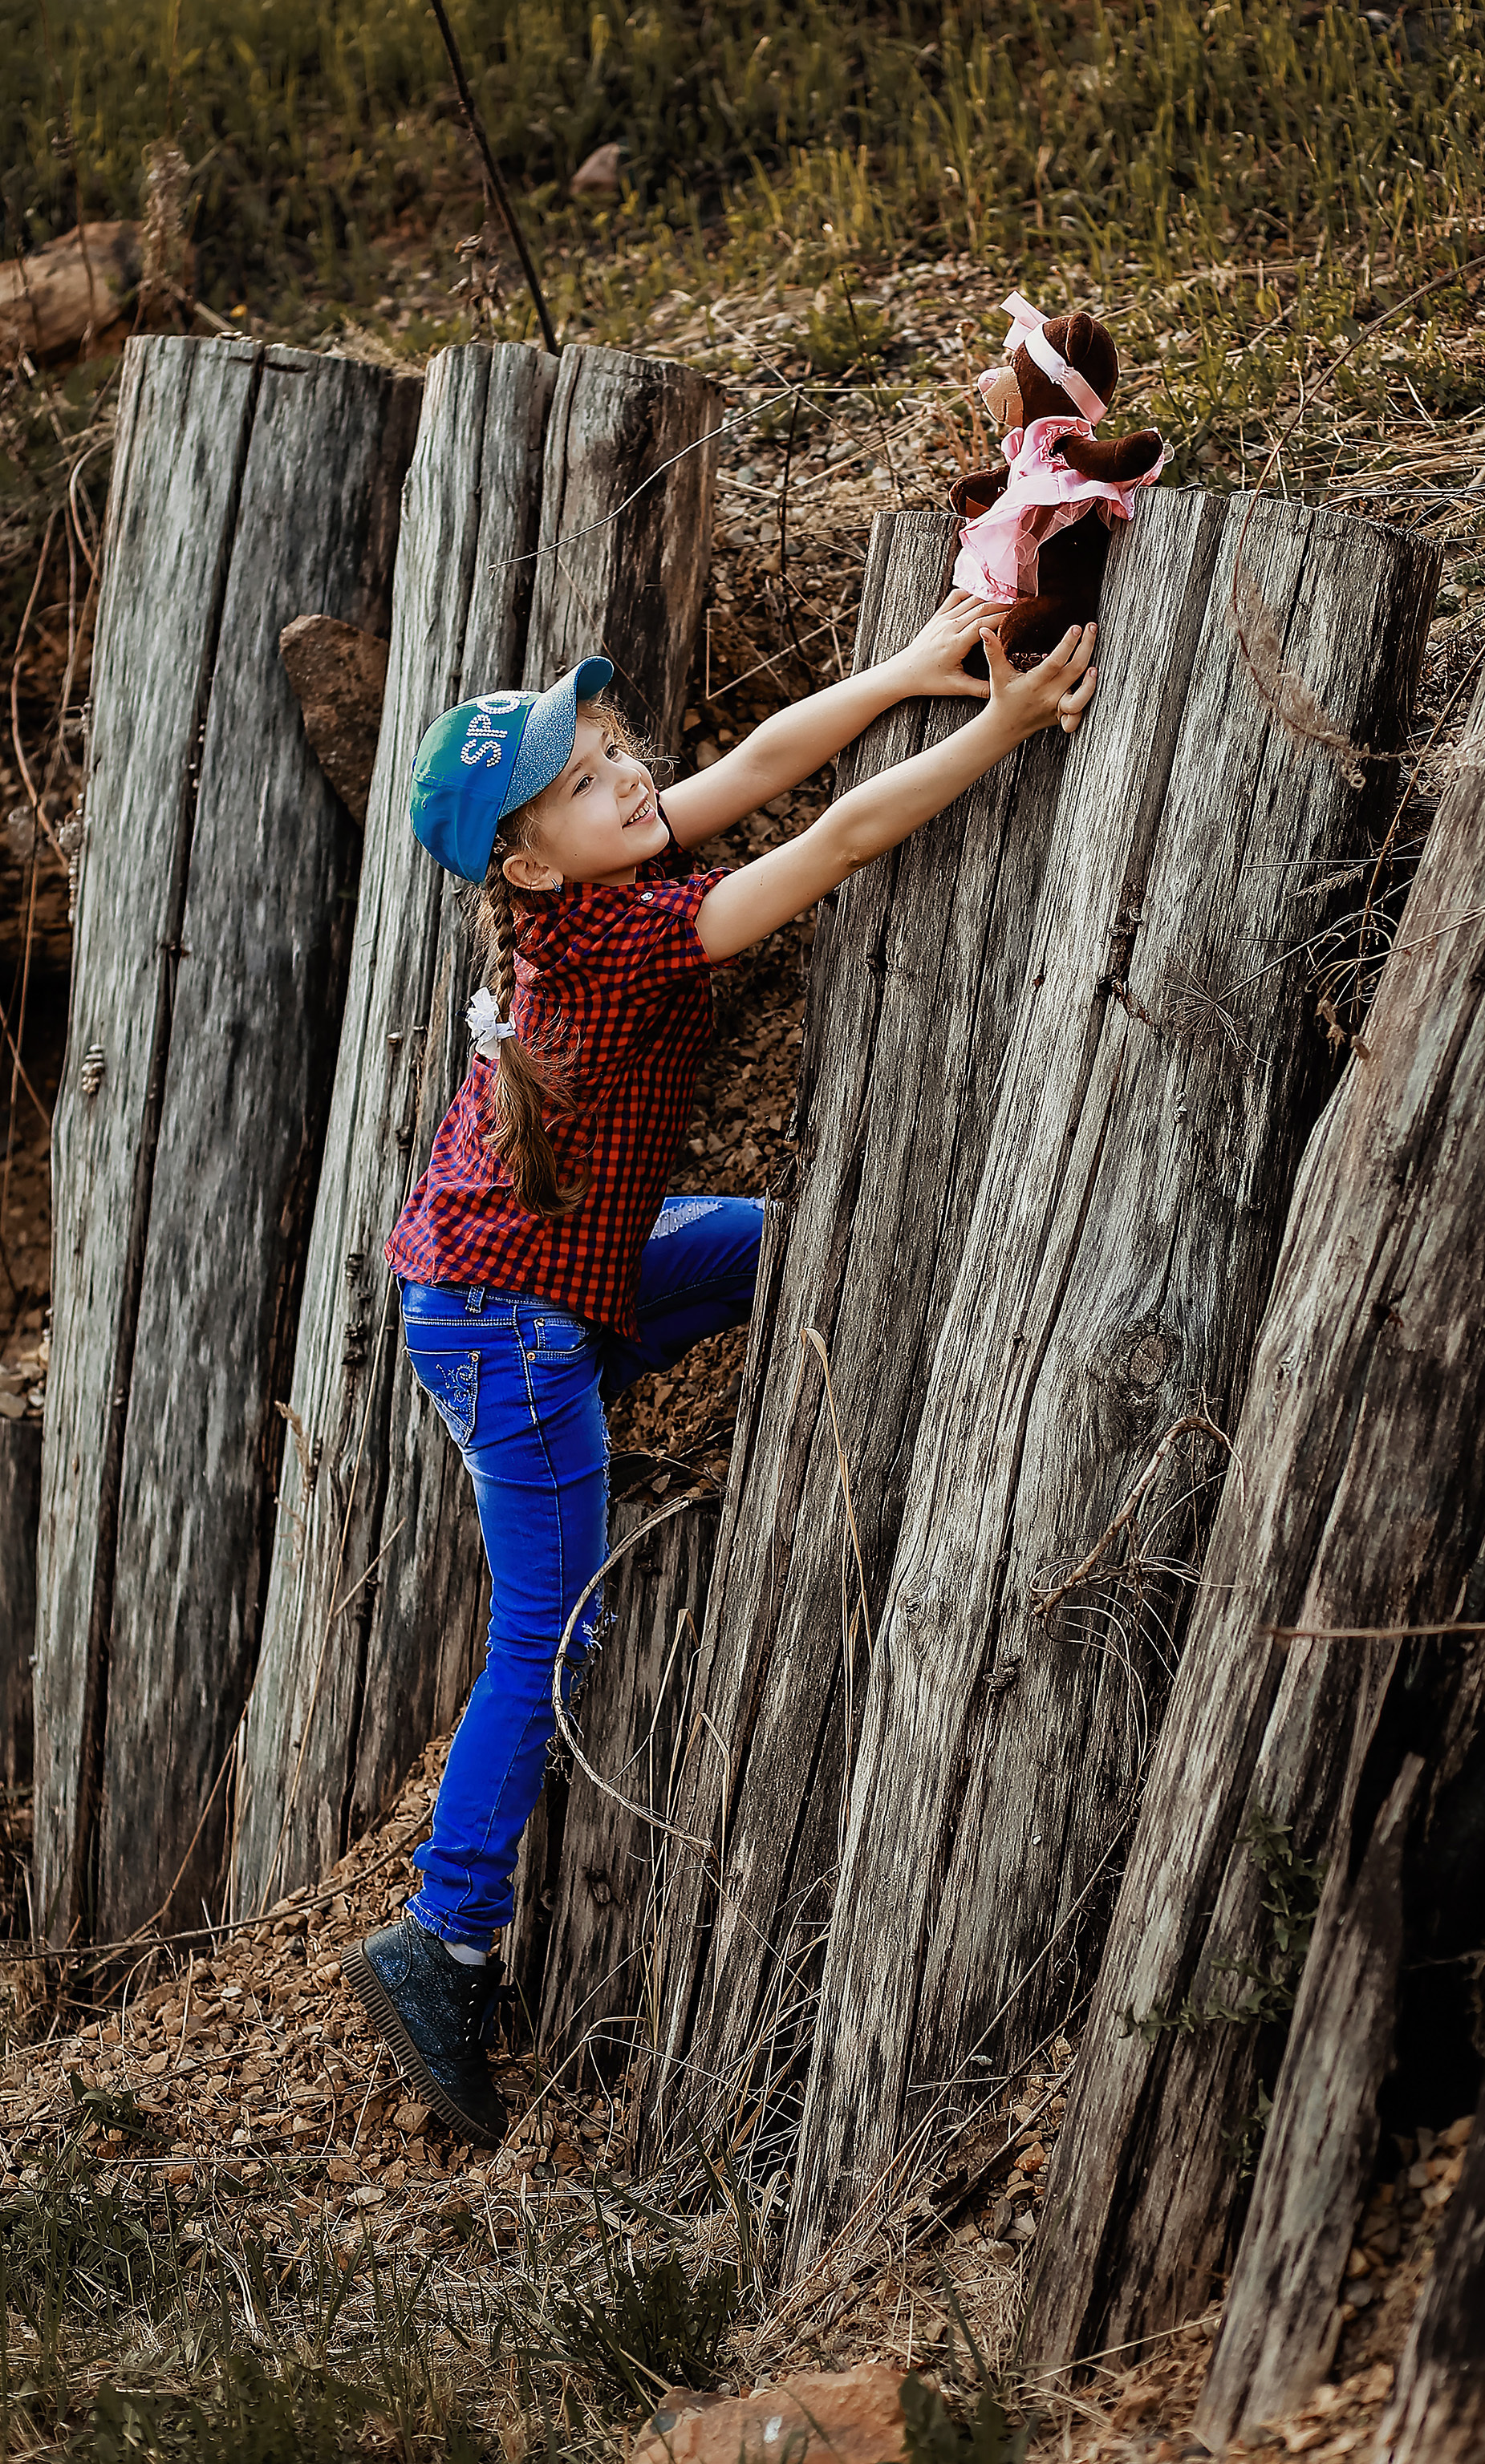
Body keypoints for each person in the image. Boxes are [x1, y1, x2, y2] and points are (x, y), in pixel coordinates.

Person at [343, 591, 1100, 2142]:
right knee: (552, 1622)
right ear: (530, 857)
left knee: (783, 1237)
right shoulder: (617, 940)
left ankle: (574, 1424)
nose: (626, 773)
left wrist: (914, 658)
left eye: (613, 748)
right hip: (510, 1315)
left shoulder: (582, 887)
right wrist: (1001, 728)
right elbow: (824, 850)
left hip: (545, 1284)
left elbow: (760, 764)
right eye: (583, 776)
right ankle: (444, 1930)